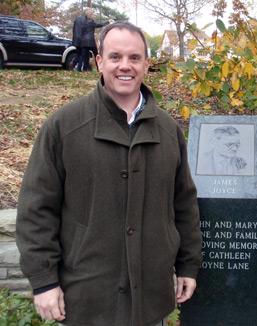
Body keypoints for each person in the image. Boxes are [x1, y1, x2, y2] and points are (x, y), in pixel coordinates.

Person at [16, 21, 202, 326]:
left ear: (146, 64)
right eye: (115, 57)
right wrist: (44, 281)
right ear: (99, 61)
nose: (124, 66)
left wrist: (188, 266)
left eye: (134, 58)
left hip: (150, 302)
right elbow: (36, 210)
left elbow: (184, 205)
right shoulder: (64, 126)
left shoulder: (169, 130)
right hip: (86, 301)